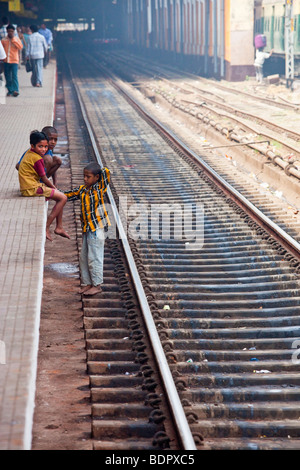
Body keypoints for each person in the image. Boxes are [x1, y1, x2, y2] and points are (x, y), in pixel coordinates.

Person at [63, 162, 111, 296]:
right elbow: (68, 195)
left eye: (88, 177)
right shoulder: (83, 190)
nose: (85, 179)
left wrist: (100, 171)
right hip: (87, 228)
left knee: (94, 257)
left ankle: (97, 285)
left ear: (96, 178)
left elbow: (106, 172)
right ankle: (88, 283)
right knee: (84, 257)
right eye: (84, 176)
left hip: (97, 228)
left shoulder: (99, 188)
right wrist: (52, 193)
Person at [18, 130, 69, 242]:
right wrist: (54, 188)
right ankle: (47, 226)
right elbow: (45, 178)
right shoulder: (37, 159)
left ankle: (59, 227)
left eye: (45, 147)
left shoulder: (29, 153)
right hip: (32, 189)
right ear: (33, 145)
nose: (44, 149)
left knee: (59, 197)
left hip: (28, 187)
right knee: (63, 197)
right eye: (40, 146)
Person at [1, 25, 23, 97]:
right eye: (9, 31)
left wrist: (13, 39)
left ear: (14, 32)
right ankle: (10, 91)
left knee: (14, 75)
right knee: (7, 76)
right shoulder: (3, 40)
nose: (10, 33)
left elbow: (20, 47)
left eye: (12, 31)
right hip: (6, 61)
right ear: (7, 31)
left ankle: (16, 90)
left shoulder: (16, 39)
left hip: (14, 61)